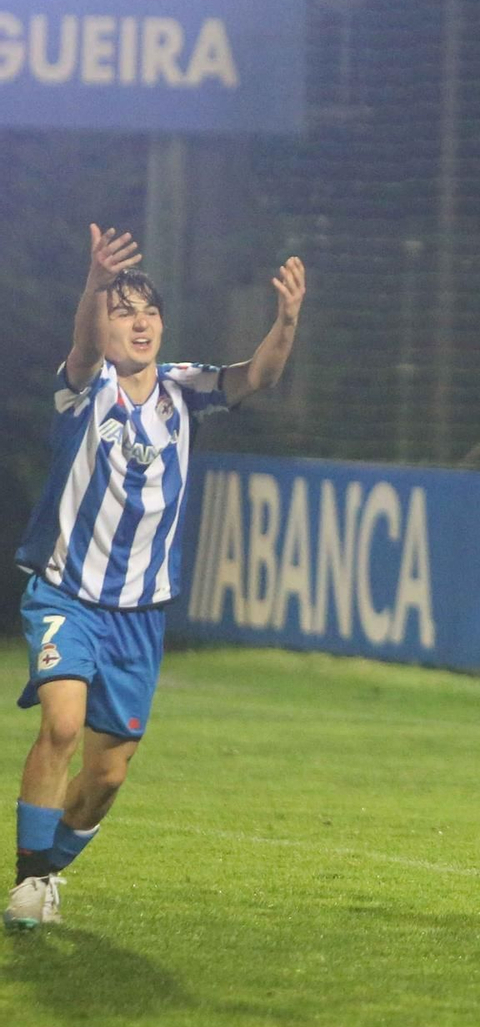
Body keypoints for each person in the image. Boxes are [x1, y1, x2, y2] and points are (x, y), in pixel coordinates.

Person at [9, 226, 306, 932]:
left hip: (140, 612)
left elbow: (257, 375)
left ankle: (47, 870)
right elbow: (82, 348)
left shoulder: (184, 391)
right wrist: (93, 286)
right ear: (104, 323)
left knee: (108, 775)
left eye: (147, 311)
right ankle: (26, 879)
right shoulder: (83, 391)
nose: (138, 323)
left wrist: (287, 320)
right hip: (67, 593)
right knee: (62, 723)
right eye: (123, 311)